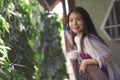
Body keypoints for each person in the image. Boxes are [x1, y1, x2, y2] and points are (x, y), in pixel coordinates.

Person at [68, 6, 120, 80]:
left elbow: (108, 57)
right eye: (71, 20)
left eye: (78, 19)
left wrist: (86, 62)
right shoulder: (78, 39)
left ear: (85, 21)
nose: (74, 23)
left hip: (105, 76)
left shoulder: (88, 40)